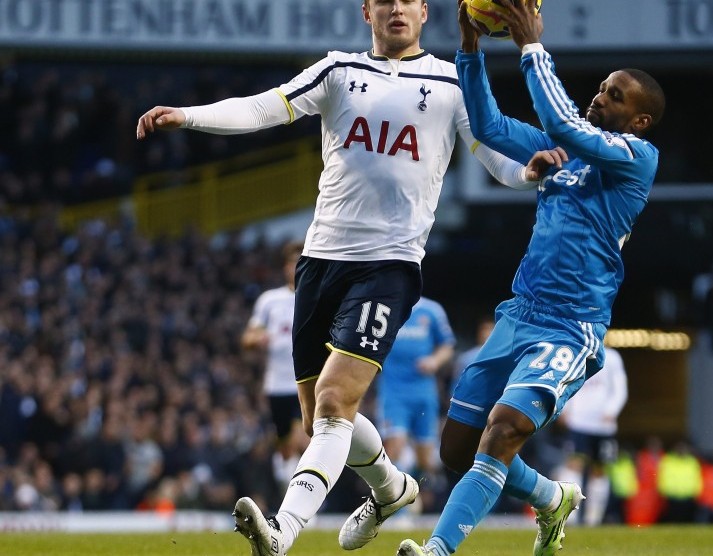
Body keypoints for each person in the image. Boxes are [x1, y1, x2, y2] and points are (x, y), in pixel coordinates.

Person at [136, 1, 549, 555]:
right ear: (367, 11)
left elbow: (490, 155)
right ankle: (392, 488)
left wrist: (528, 174)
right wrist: (189, 115)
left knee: (333, 403)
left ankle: (282, 531)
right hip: (320, 260)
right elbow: (266, 109)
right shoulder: (338, 71)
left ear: (425, 12)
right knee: (320, 420)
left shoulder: (450, 81)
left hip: (390, 265)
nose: (397, 7)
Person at [398, 1, 665, 555]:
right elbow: (491, 126)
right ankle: (549, 497)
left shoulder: (637, 158)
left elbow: (565, 120)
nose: (600, 96)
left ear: (639, 119)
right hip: (519, 313)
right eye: (602, 87)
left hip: (572, 327)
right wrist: (469, 49)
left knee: (503, 430)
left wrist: (530, 44)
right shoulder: (563, 151)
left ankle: (437, 550)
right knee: (456, 451)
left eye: (615, 95)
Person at [240, 240, 309, 495]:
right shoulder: (270, 300)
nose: (296, 266)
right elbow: (247, 338)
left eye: (301, 261)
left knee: (305, 439)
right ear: (284, 267)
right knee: (286, 447)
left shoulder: (318, 296)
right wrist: (258, 338)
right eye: (292, 262)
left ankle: (302, 497)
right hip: (277, 384)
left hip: (308, 380)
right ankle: (291, 491)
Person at [376, 296, 456, 512]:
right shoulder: (386, 308)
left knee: (425, 459)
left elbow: (447, 345)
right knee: (394, 448)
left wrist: (435, 361)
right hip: (393, 394)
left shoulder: (431, 310)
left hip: (423, 394)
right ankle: (393, 506)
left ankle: (416, 494)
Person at [559, 346, 628, 525]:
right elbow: (566, 383)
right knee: (575, 466)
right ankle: (573, 517)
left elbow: (620, 387)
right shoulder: (575, 353)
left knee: (599, 470)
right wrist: (564, 408)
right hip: (578, 422)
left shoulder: (612, 357)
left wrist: (611, 410)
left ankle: (594, 518)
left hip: (604, 426)